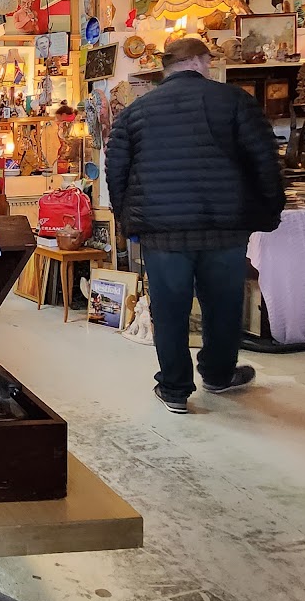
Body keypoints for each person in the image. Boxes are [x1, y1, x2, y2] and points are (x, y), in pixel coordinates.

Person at [105, 37, 285, 414]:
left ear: (167, 68)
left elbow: (116, 170)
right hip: (224, 225)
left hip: (161, 229)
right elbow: (264, 160)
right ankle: (218, 376)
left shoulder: (136, 112)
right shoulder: (234, 101)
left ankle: (174, 389)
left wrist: (127, 220)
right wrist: (269, 212)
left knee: (169, 309)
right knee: (223, 304)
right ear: (201, 62)